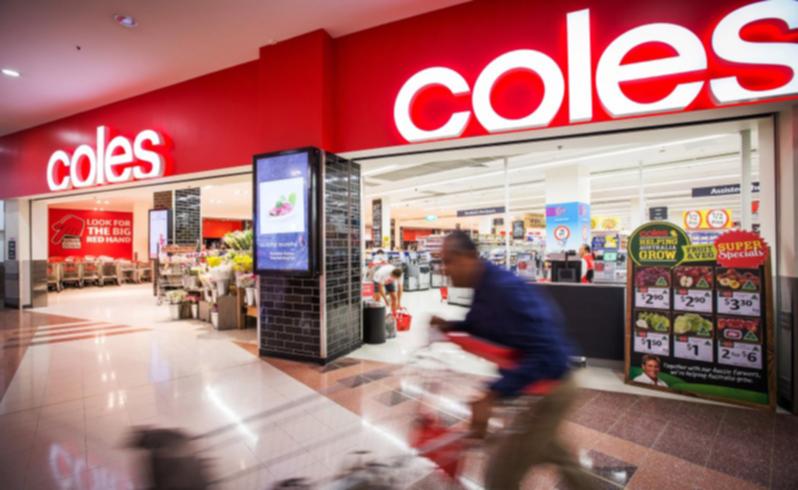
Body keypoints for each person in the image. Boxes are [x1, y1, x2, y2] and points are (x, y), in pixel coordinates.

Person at [431, 231, 596, 489]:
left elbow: (547, 353)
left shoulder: (503, 288)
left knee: (500, 477)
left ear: (470, 256)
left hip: (551, 389)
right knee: (561, 458)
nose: (444, 270)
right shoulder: (483, 286)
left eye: (449, 260)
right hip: (541, 387)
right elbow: (482, 324)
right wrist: (450, 325)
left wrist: (492, 394)